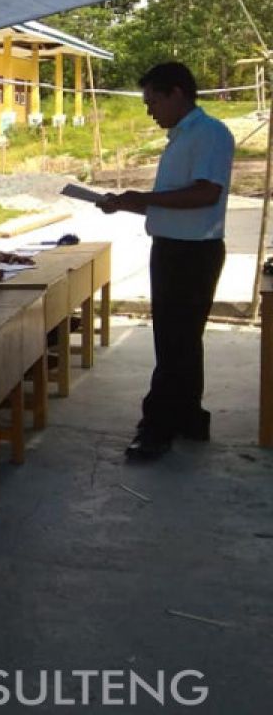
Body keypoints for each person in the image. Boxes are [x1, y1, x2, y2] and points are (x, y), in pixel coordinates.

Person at [97, 62, 234, 459]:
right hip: (174, 247)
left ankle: (157, 427)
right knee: (182, 343)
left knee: (175, 343)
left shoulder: (208, 133)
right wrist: (127, 204)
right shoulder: (182, 136)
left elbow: (206, 193)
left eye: (153, 101)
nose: (150, 110)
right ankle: (189, 418)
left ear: (176, 93)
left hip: (192, 252)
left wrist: (144, 199)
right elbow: (174, 202)